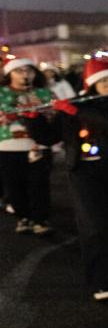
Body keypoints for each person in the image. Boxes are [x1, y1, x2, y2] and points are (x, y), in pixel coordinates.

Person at [52, 56, 108, 299]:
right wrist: (38, 119)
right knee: (94, 225)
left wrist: (77, 110)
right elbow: (51, 136)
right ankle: (100, 281)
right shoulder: (77, 104)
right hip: (84, 172)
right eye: (104, 81)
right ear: (92, 84)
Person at [1, 56, 58, 235]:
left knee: (39, 184)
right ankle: (23, 217)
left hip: (38, 145)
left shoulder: (44, 93)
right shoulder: (2, 93)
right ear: (9, 74)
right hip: (8, 146)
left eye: (29, 70)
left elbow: (55, 115)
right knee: (14, 184)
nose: (25, 74)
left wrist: (42, 110)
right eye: (19, 71)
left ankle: (40, 219)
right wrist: (15, 113)